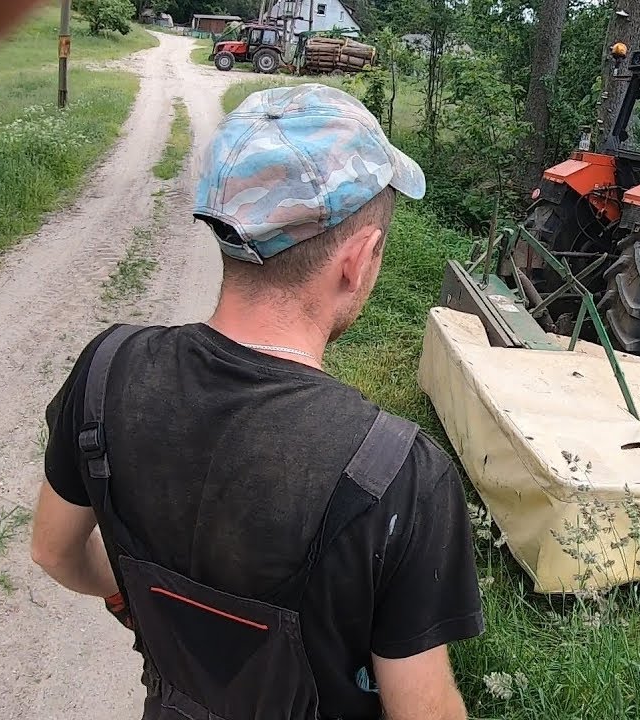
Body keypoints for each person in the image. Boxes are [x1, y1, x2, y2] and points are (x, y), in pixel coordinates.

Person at [31, 84, 484, 720]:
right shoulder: (401, 474)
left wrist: (147, 599)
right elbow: (422, 708)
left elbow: (54, 551)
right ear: (357, 261)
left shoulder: (107, 369)